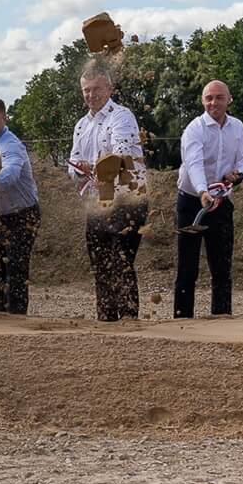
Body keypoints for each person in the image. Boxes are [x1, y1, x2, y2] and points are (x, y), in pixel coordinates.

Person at [67, 68, 150, 322]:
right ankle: (106, 318)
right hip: (97, 201)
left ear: (110, 89)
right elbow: (72, 165)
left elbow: (120, 153)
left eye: (97, 89)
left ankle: (128, 319)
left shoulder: (121, 116)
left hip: (128, 199)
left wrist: (92, 165)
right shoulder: (81, 125)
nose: (91, 95)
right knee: (100, 262)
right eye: (86, 90)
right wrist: (79, 170)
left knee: (121, 259)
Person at [172, 80, 243, 319]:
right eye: (208, 98)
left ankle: (222, 317)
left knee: (222, 266)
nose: (213, 103)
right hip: (191, 202)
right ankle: (182, 319)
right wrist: (202, 192)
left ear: (229, 100)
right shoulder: (194, 129)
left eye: (219, 97)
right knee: (187, 266)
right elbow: (193, 163)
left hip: (221, 203)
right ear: (202, 101)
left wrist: (238, 176)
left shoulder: (237, 127)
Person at [0, 96, 39, 315]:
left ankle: (16, 319)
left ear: (4, 119)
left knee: (16, 269)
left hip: (24, 215)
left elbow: (10, 174)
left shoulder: (11, 145)